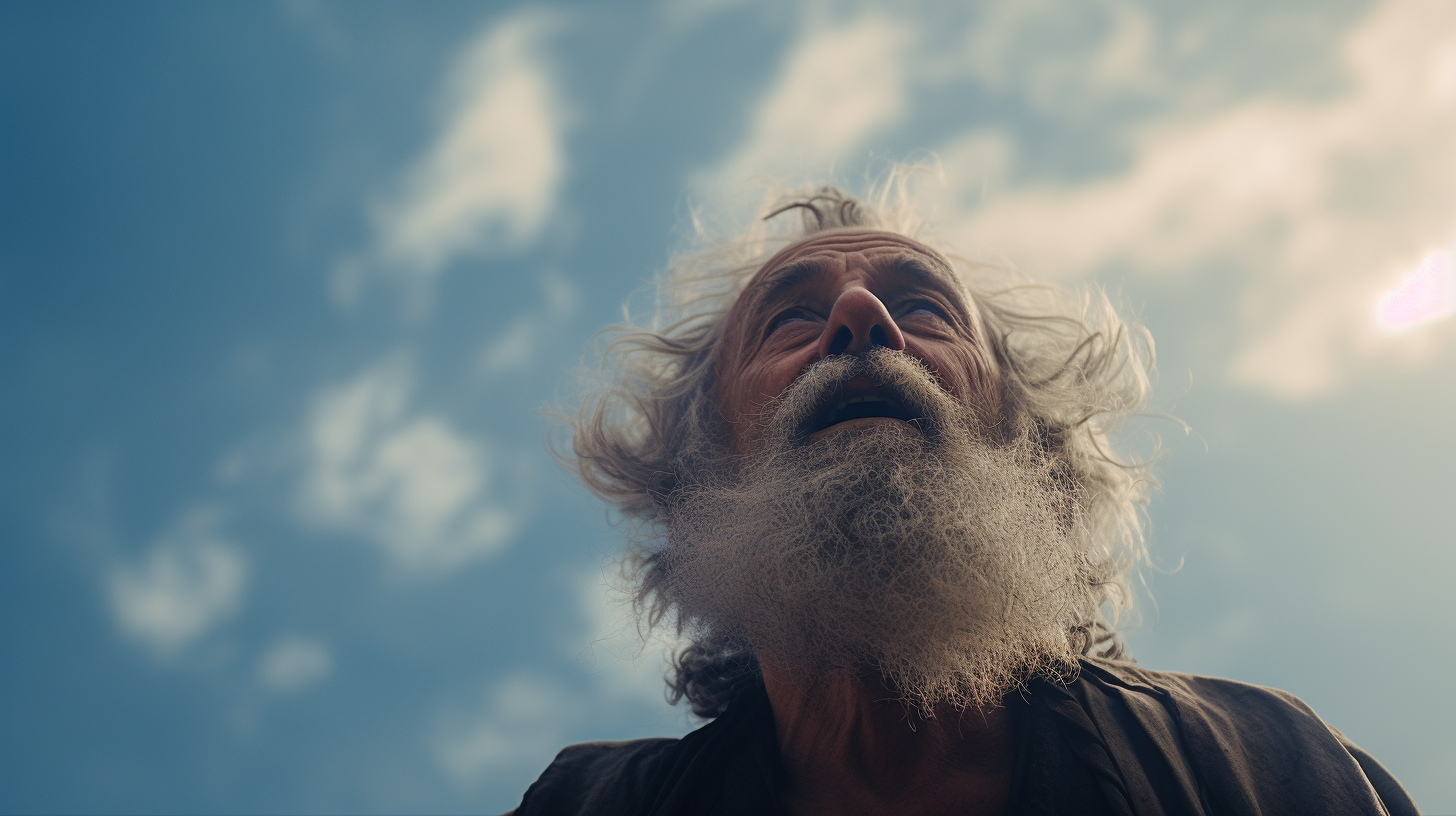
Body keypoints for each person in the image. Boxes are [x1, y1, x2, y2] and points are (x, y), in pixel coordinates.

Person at [512, 179, 1419, 815]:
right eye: (791, 317)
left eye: (928, 308)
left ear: (1032, 455)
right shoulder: (589, 805)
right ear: (701, 479)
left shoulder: (1266, 764)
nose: (862, 318)